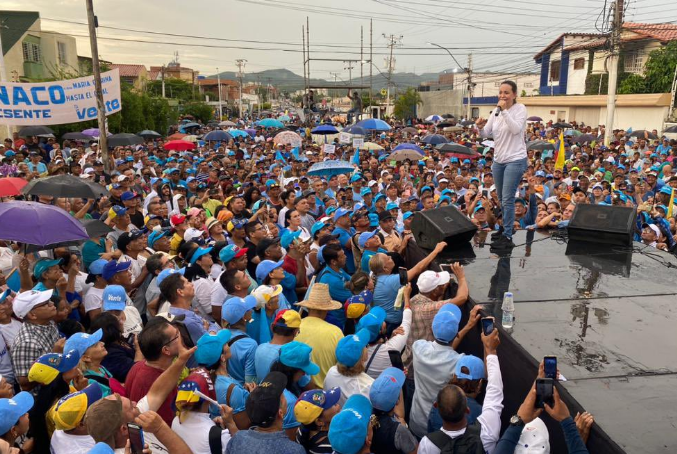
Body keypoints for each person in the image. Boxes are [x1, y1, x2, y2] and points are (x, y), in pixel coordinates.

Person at [418, 324, 504, 454]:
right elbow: (495, 390)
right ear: (467, 410)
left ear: (436, 405)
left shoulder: (427, 443)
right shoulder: (485, 431)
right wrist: (490, 349)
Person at [476, 80, 528, 249]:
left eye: (506, 92)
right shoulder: (495, 112)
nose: (502, 96)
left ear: (514, 94)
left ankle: (507, 234)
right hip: (499, 161)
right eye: (500, 92)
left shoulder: (520, 109)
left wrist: (504, 111)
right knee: (500, 198)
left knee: (507, 198)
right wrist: (479, 128)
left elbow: (515, 129)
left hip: (515, 159)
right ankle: (503, 229)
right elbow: (486, 133)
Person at [225, 371, 305, 454]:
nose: (285, 395)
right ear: (280, 413)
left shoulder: (237, 439)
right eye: (282, 395)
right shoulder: (295, 450)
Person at [124, 318, 183, 426]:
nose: (181, 337)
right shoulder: (153, 383)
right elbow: (166, 425)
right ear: (166, 350)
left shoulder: (138, 366)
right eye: (177, 336)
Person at [172, 369, 238, 454]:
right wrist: (230, 423)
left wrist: (211, 424)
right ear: (209, 398)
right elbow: (241, 448)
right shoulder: (220, 437)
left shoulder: (176, 421)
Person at [294, 284, 344, 387]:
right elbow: (342, 365)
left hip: (299, 389)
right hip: (325, 391)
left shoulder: (294, 327)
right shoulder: (335, 332)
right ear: (327, 309)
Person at [10, 289, 61, 391]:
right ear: (32, 315)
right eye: (46, 303)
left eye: (49, 300)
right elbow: (25, 384)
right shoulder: (26, 343)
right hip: (44, 400)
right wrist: (54, 358)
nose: (52, 303)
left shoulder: (49, 323)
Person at [369, 367, 418, 454]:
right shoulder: (400, 430)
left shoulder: (366, 417)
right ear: (398, 401)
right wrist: (404, 426)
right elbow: (415, 452)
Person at [323, 329, 373, 406]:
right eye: (365, 346)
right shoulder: (367, 385)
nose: (367, 347)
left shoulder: (331, 372)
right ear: (363, 357)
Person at [50, 383, 103, 454]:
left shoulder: (62, 426)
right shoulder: (83, 451)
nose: (102, 403)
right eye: (96, 406)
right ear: (81, 425)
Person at [220, 295, 259, 384]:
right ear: (244, 317)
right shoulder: (250, 344)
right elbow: (250, 383)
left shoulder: (220, 335)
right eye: (248, 309)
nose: (252, 310)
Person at [293, 388, 341, 454]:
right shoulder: (329, 446)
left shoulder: (301, 430)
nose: (338, 405)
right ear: (319, 421)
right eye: (332, 404)